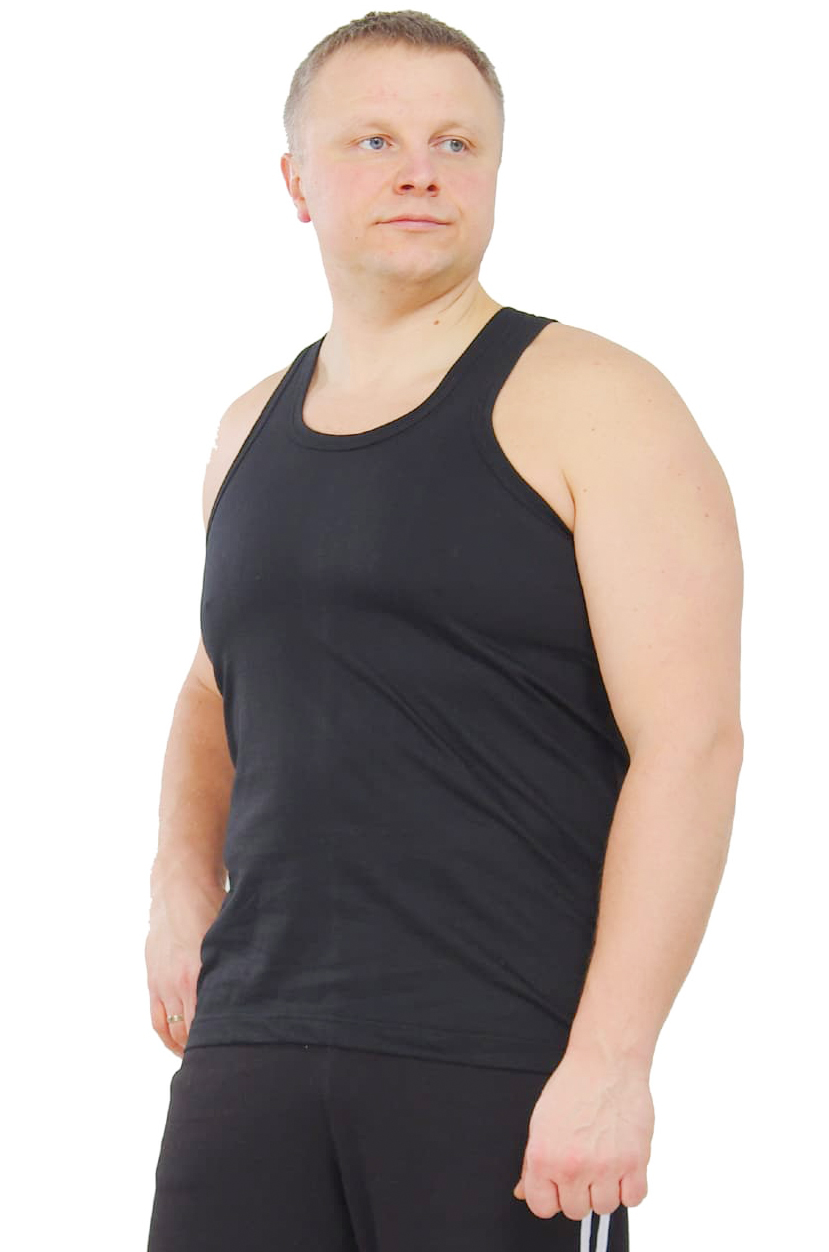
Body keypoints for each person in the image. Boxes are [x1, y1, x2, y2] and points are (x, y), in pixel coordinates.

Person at [145, 10, 744, 1252]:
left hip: (500, 1058)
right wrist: (176, 876)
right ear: (296, 182)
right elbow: (214, 686)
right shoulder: (246, 426)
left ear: (494, 172)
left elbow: (691, 744)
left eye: (456, 143)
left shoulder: (597, 401)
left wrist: (612, 1059)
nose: (421, 171)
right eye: (374, 140)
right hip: (251, 1045)